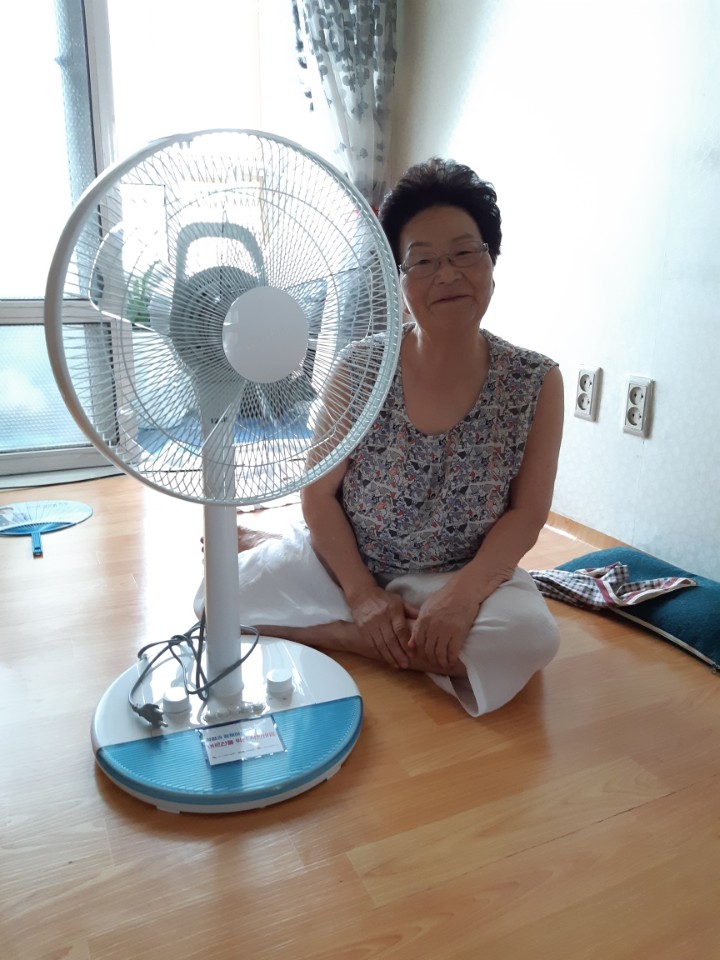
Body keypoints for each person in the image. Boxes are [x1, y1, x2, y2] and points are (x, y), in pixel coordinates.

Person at [195, 157, 564, 717]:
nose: (447, 275)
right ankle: (355, 634)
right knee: (213, 602)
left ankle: (362, 619)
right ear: (398, 279)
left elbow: (528, 514)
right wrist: (363, 597)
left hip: (456, 572)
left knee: (532, 638)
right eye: (424, 261)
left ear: (492, 263)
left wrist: (462, 599)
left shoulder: (536, 381)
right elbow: (320, 495)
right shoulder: (361, 367)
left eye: (465, 253)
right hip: (347, 563)